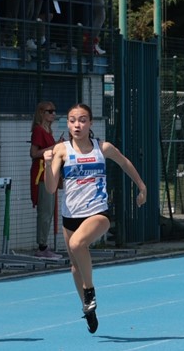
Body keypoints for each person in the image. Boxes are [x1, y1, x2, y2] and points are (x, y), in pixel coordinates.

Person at [42, 103, 147, 333]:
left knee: (77, 243)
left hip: (97, 213)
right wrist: (48, 164)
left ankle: (89, 291)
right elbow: (50, 188)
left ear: (90, 123)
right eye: (72, 120)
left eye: (82, 120)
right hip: (71, 216)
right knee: (74, 268)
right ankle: (88, 308)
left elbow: (124, 162)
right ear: (67, 124)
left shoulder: (102, 148)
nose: (77, 125)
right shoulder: (61, 150)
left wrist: (141, 186)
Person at [29, 101, 61, 259]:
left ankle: (44, 245)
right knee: (45, 211)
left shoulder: (48, 131)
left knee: (49, 211)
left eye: (54, 111)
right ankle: (42, 246)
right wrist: (55, 147)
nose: (53, 114)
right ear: (42, 113)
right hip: (41, 175)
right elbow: (34, 153)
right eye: (50, 111)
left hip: (49, 174)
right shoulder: (38, 130)